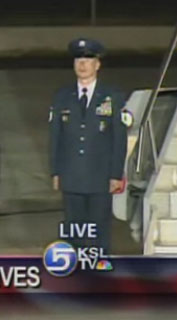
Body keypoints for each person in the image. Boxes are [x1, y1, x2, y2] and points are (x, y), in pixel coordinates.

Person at [49, 38, 128, 252]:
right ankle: (76, 275)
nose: (82, 65)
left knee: (99, 230)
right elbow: (55, 135)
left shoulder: (112, 96)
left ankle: (99, 275)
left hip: (100, 177)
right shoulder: (63, 96)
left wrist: (116, 174)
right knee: (74, 230)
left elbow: (119, 138)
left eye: (87, 60)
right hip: (71, 176)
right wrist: (55, 171)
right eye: (78, 60)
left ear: (97, 65)